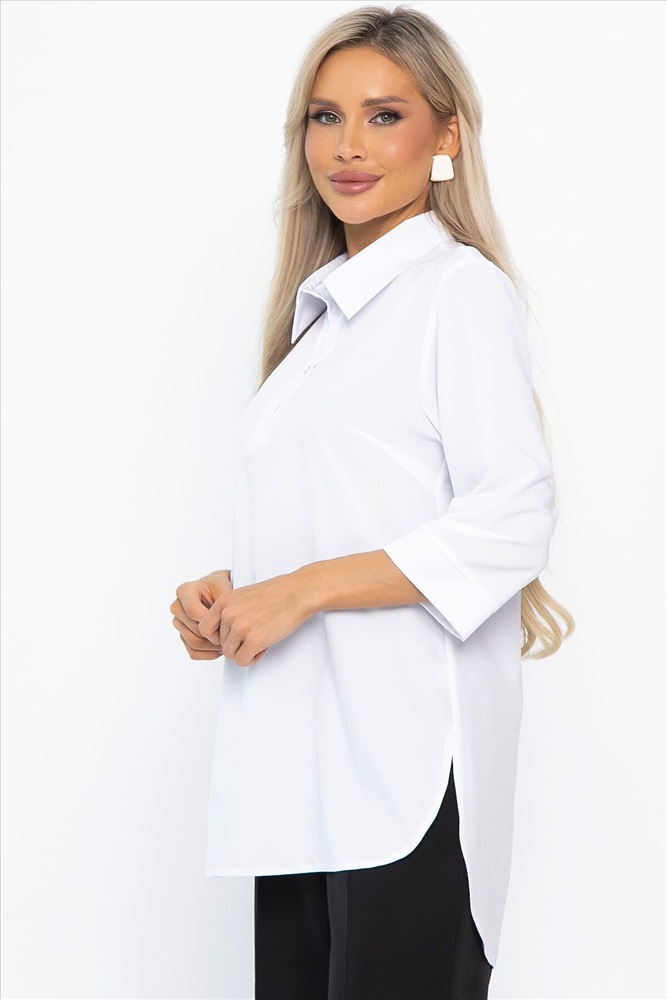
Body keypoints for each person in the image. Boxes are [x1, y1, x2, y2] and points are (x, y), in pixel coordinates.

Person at [170, 5, 575, 998]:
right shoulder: (320, 326)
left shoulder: (455, 291)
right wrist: (237, 593)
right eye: (325, 116)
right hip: (299, 778)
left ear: (446, 135)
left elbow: (513, 513)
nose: (347, 146)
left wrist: (302, 590)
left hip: (406, 770)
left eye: (383, 115)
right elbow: (347, 510)